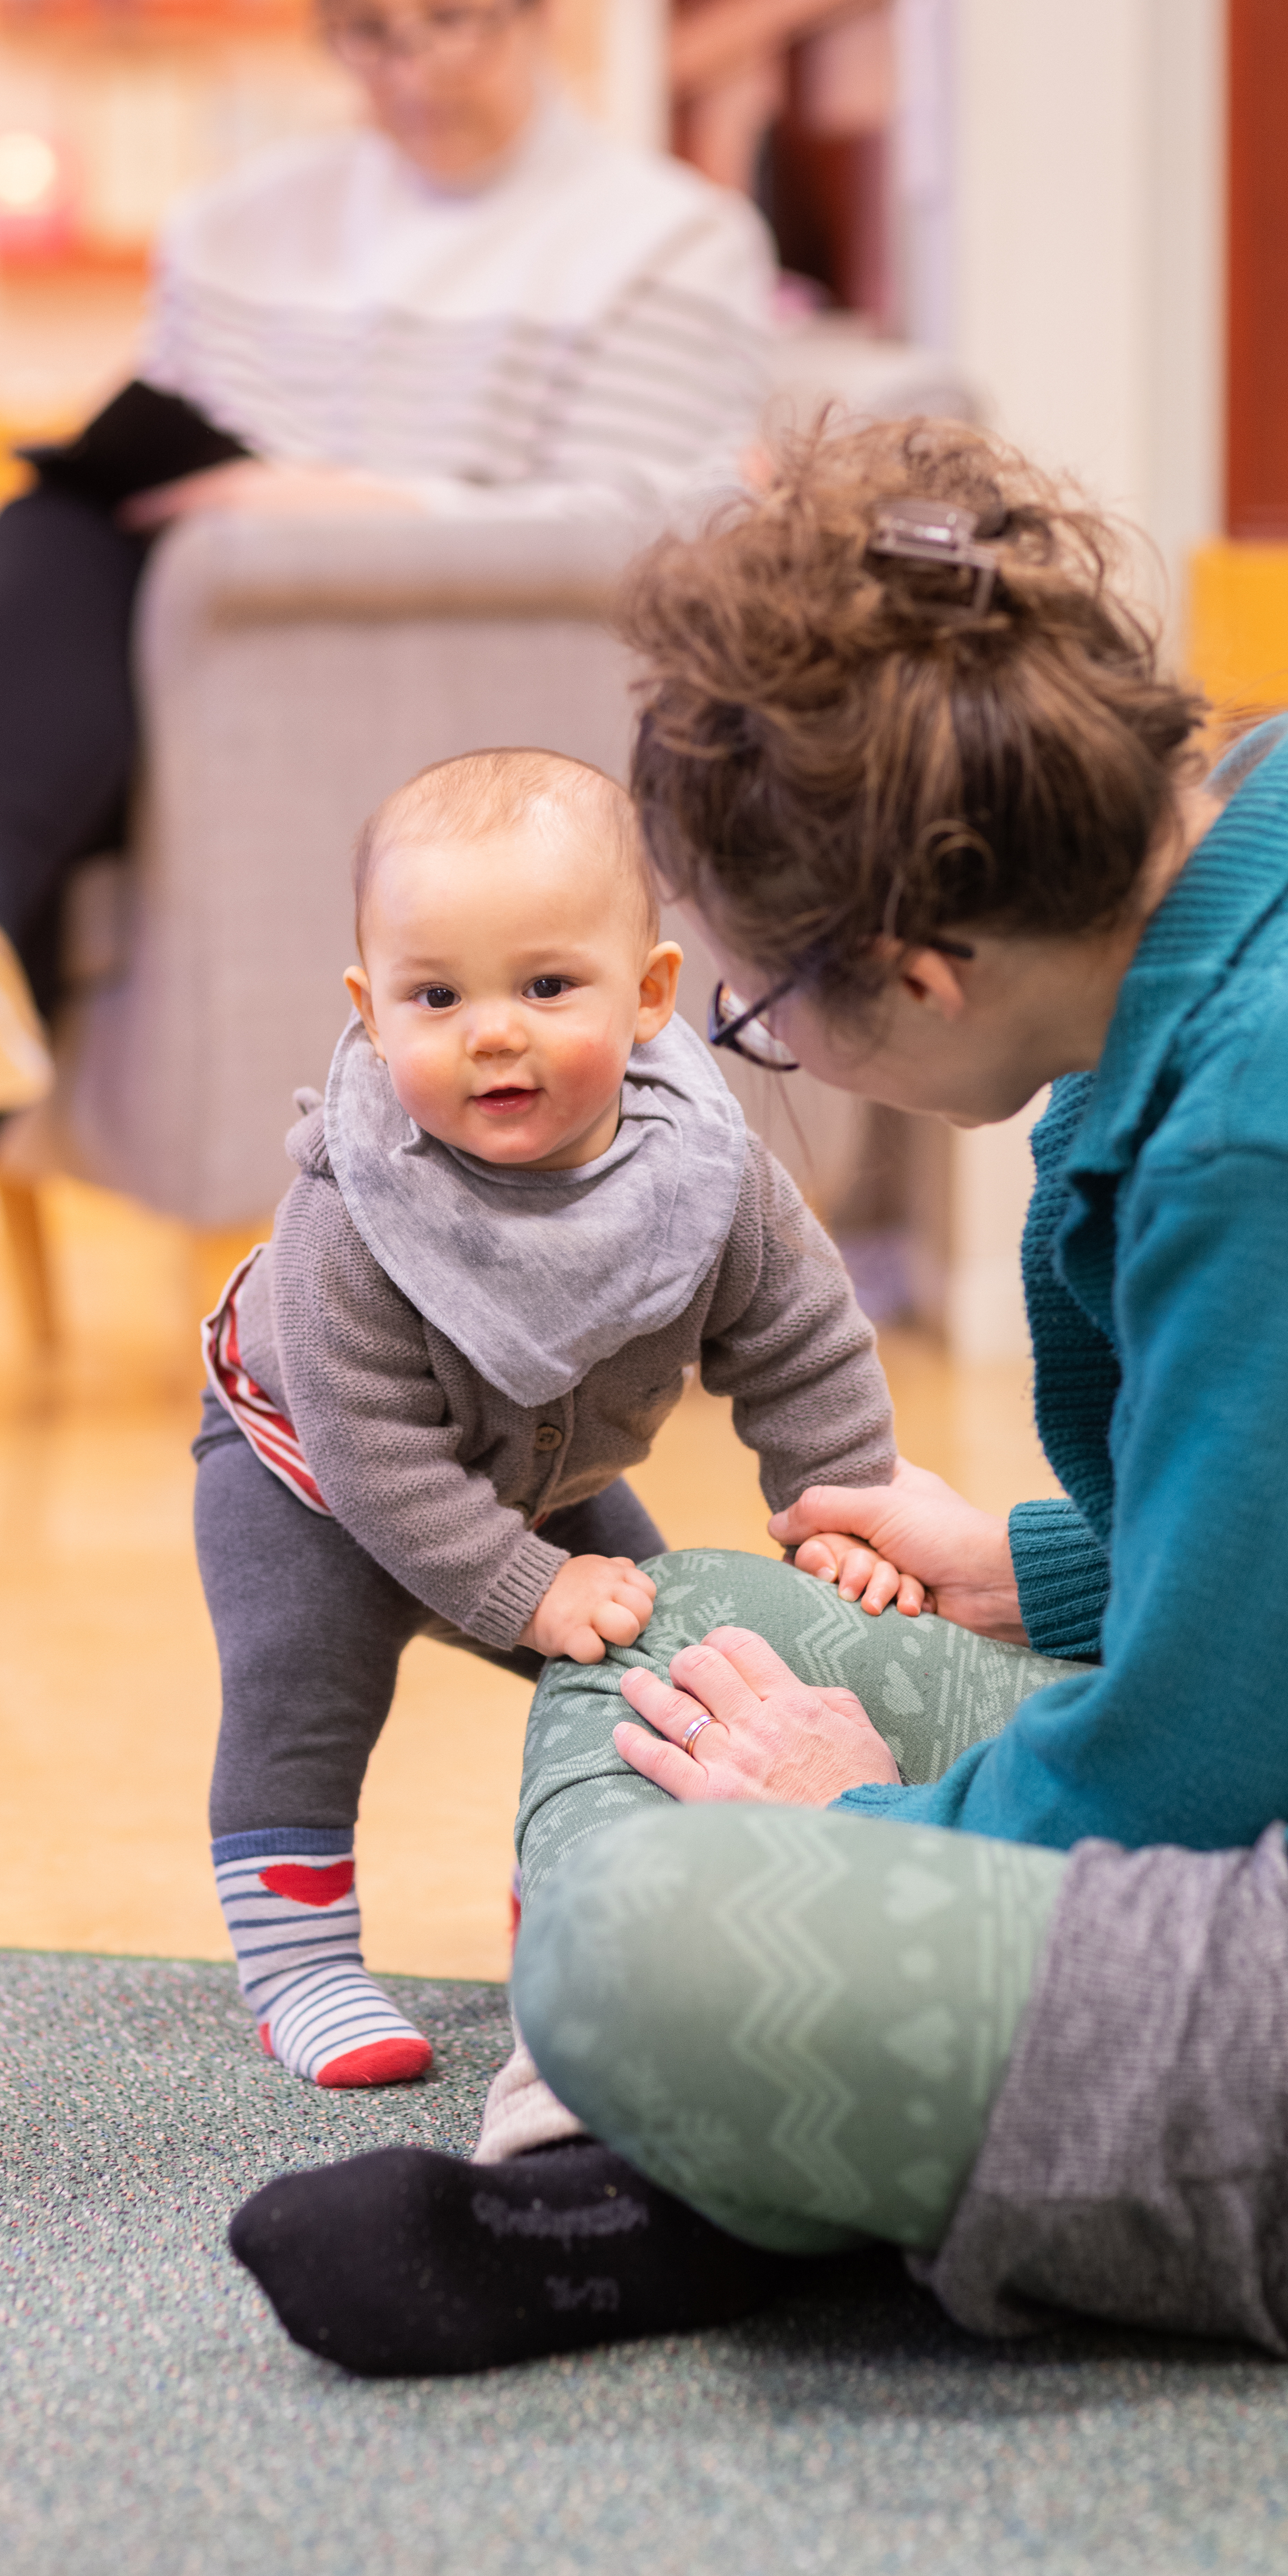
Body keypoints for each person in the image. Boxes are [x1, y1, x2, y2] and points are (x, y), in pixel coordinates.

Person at [224, 414, 1288, 2381]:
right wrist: (1025, 1571)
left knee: (642, 1952)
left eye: (748, 1011)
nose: (754, 1051)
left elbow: (1196, 1764)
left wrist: (875, 1829)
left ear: (915, 970)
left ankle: (638, 2183)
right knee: (683, 1628)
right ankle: (738, 2148)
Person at [0, 0, 773, 1467]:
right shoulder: (243, 223)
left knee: (61, 604)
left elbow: (654, 517)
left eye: (454, 18)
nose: (412, 68)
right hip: (179, 677)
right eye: (368, 31)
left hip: (393, 678)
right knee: (49, 528)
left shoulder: (664, 239)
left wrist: (328, 502)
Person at [194, 746, 916, 2088]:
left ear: (648, 997)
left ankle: (574, 1901)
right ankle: (299, 1966)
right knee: (301, 1695)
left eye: (544, 985)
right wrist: (526, 1586)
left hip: (546, 1459)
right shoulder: (355, 1212)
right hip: (306, 1479)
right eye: (434, 994)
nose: (491, 1030)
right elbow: (375, 1454)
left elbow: (801, 1340)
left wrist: (844, 1505)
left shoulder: (705, 1177)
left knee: (656, 1665)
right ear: (370, 1010)